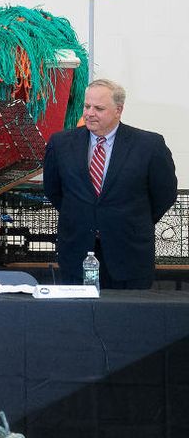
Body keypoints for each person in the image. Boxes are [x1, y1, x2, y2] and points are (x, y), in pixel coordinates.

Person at [43, 79, 177, 289]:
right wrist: (86, 215)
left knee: (127, 321)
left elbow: (165, 195)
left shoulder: (149, 146)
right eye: (87, 106)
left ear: (118, 110)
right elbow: (53, 190)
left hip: (129, 257)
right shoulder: (60, 144)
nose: (89, 113)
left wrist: (128, 220)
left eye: (99, 108)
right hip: (76, 255)